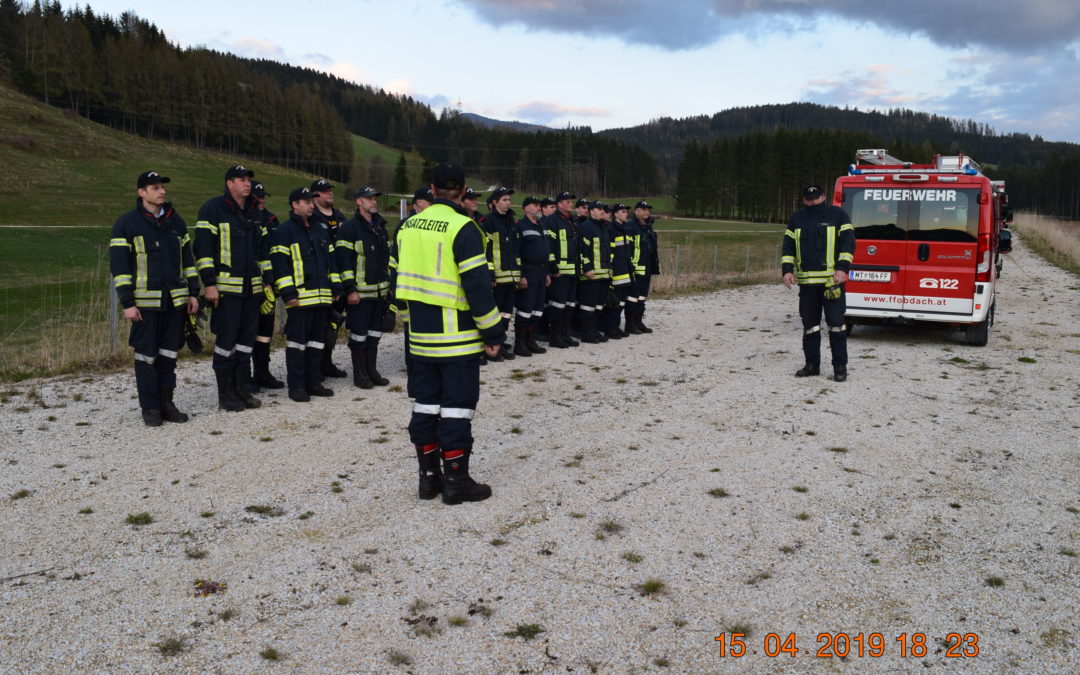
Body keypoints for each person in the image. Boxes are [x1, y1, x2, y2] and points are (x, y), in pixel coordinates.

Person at [393, 163, 503, 505]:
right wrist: (493, 332)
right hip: (457, 338)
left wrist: (408, 320)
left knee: (425, 406)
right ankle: (456, 481)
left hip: (420, 337)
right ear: (464, 190)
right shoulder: (464, 227)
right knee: (456, 409)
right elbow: (478, 287)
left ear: (432, 189)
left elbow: (396, 280)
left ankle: (429, 480)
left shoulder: (407, 226)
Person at [111, 171, 201, 426]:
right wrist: (128, 303)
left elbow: (188, 261)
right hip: (145, 305)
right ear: (141, 192)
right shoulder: (127, 223)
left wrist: (193, 292)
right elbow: (119, 267)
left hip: (175, 302)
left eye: (162, 187)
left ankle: (167, 404)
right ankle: (150, 408)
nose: (162, 191)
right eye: (155, 187)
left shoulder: (176, 222)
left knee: (169, 356)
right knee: (146, 357)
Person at [194, 165, 266, 412]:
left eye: (248, 180)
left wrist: (266, 282)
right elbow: (203, 249)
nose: (247, 184)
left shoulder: (254, 211)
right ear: (229, 183)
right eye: (241, 179)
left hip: (252, 290)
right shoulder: (213, 208)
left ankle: (241, 389)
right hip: (226, 291)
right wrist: (209, 284)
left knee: (246, 343)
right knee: (226, 343)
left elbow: (262, 250)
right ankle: (225, 395)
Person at [270, 187, 343, 401]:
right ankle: (296, 387)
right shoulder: (284, 231)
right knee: (297, 345)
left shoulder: (320, 229)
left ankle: (314, 382)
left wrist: (336, 287)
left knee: (317, 344)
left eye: (312, 201)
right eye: (306, 202)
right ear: (294, 204)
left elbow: (331, 262)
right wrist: (288, 294)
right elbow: (280, 266)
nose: (311, 206)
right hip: (300, 300)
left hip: (322, 298)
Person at [782, 184, 855, 382]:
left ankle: (840, 368)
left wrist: (842, 268)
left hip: (832, 283)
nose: (813, 201)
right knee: (810, 327)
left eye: (816, 197)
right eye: (809, 198)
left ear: (823, 196)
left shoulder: (838, 215)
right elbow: (788, 247)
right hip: (807, 286)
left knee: (836, 325)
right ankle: (812, 365)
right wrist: (787, 270)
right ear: (804, 200)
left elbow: (848, 243)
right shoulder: (797, 218)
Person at [336, 186, 392, 389]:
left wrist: (388, 288)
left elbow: (386, 260)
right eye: (369, 198)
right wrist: (350, 290)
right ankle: (359, 374)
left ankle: (371, 371)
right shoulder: (349, 228)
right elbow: (343, 261)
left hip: (379, 293)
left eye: (374, 198)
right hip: (359, 294)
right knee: (358, 335)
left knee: (374, 334)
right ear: (358, 202)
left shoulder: (380, 227)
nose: (374, 201)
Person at [309, 178, 349, 379]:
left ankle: (327, 362)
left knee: (334, 324)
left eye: (330, 190)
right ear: (314, 196)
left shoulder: (339, 216)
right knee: (318, 327)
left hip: (340, 280)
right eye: (325, 191)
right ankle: (314, 367)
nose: (330, 193)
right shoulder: (312, 218)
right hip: (320, 281)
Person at [250, 182, 285, 391]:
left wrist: (272, 282)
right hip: (252, 284)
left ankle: (262, 372)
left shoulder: (271, 219)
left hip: (270, 284)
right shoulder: (247, 219)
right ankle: (244, 377)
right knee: (247, 332)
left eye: (263, 196)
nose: (262, 200)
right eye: (258, 197)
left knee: (265, 332)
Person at [482, 186, 521, 361]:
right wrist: (490, 274)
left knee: (506, 313)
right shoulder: (488, 221)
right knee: (495, 314)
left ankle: (501, 342)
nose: (508, 203)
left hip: (511, 275)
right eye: (504, 200)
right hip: (497, 276)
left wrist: (518, 272)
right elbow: (487, 250)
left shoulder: (511, 220)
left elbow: (515, 249)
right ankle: (492, 347)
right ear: (495, 202)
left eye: (509, 200)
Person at [542, 191, 581, 348]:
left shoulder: (572, 221)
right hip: (560, 272)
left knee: (570, 305)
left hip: (573, 271)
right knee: (557, 306)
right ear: (558, 204)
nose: (570, 204)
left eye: (571, 201)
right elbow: (548, 246)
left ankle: (565, 335)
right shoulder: (551, 221)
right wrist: (553, 267)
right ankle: (555, 337)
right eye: (567, 201)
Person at [513, 196, 550, 357]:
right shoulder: (520, 226)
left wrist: (547, 272)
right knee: (525, 310)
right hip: (528, 272)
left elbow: (545, 251)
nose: (539, 208)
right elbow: (516, 252)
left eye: (539, 205)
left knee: (537, 310)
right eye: (535, 205)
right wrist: (521, 275)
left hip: (541, 272)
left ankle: (531, 340)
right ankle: (519, 344)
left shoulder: (541, 226)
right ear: (526, 208)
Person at [575, 200, 611, 343]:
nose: (602, 211)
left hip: (603, 274)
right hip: (591, 275)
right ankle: (586, 333)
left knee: (598, 306)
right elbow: (583, 249)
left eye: (603, 209)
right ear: (591, 212)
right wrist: (587, 268)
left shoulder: (602, 227)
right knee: (588, 306)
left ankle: (594, 331)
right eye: (599, 209)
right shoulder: (586, 227)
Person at [604, 203, 636, 337]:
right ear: (615, 214)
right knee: (614, 301)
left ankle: (616, 327)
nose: (626, 214)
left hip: (626, 270)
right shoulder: (611, 229)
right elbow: (609, 252)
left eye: (626, 212)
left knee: (622, 301)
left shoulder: (626, 229)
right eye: (623, 212)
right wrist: (610, 270)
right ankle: (610, 329)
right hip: (616, 271)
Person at [628, 200, 659, 333]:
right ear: (637, 211)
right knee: (633, 297)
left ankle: (638, 322)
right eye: (644, 209)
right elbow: (629, 248)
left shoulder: (648, 226)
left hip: (647, 265)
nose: (647, 212)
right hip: (636, 268)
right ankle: (630, 325)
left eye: (648, 209)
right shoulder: (631, 226)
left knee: (642, 297)